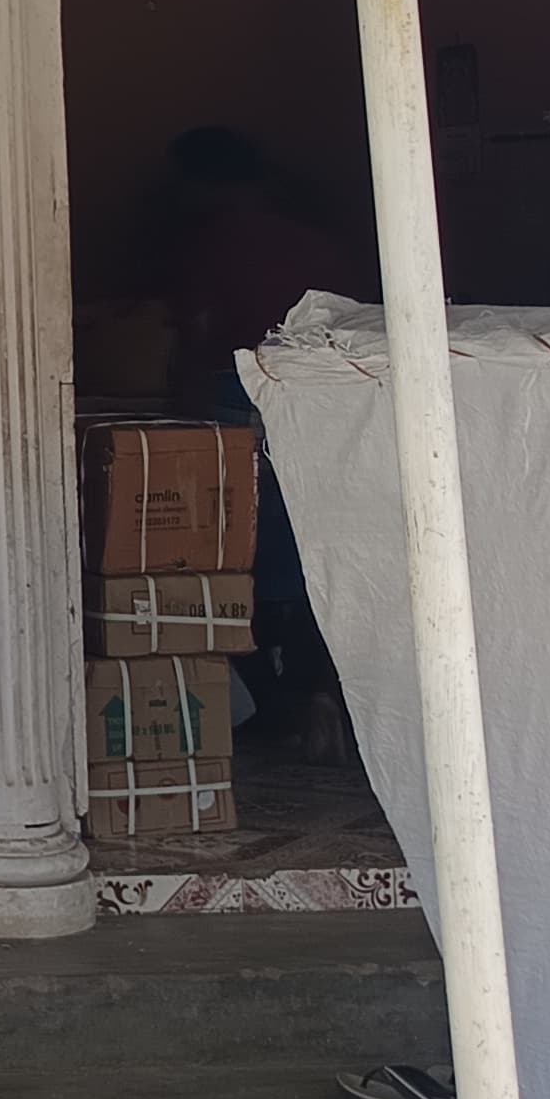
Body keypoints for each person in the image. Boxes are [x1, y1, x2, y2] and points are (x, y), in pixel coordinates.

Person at [155, 127, 370, 759]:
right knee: (312, 554)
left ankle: (279, 708)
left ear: (200, 183)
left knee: (238, 557)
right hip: (324, 409)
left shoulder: (210, 244)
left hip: (241, 404)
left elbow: (192, 336)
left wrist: (178, 413)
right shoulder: (314, 242)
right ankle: (320, 693)